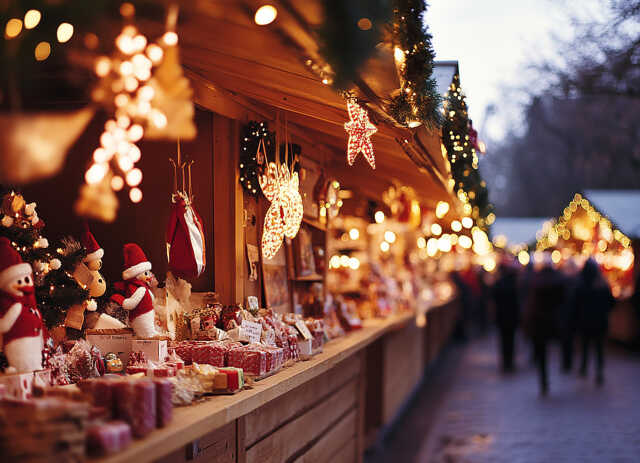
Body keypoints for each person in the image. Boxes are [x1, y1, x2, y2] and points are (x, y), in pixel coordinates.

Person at [523, 254, 566, 396]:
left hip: (538, 322)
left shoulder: (534, 280)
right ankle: (562, 368)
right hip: (554, 321)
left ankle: (544, 381)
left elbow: (530, 303)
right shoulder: (559, 279)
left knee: (541, 352)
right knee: (556, 348)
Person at [575, 258, 615, 386]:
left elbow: (575, 304)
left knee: (586, 345)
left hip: (584, 320)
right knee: (599, 347)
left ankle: (584, 367)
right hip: (600, 320)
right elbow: (611, 302)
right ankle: (599, 371)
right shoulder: (602, 283)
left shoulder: (580, 283)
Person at [491, 257, 520, 372]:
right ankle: (510, 361)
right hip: (512, 316)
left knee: (503, 340)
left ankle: (505, 361)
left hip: (502, 316)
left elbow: (493, 299)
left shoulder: (498, 283)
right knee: (511, 339)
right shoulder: (514, 283)